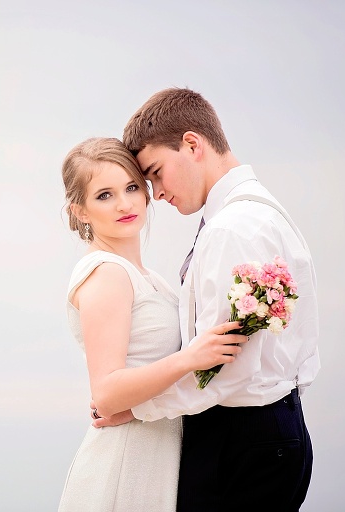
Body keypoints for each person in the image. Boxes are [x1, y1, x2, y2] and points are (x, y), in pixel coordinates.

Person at [94, 88, 320, 512]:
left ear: (192, 144)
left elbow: (223, 370)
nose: (156, 193)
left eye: (156, 172)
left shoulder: (230, 229)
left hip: (241, 437)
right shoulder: (262, 211)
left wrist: (141, 408)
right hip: (272, 429)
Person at [57, 137, 247, 512]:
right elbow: (107, 393)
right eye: (104, 195)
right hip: (125, 461)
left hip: (155, 452)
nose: (125, 204)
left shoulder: (148, 277)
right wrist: (189, 358)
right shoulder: (107, 274)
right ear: (81, 211)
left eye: (131, 187)